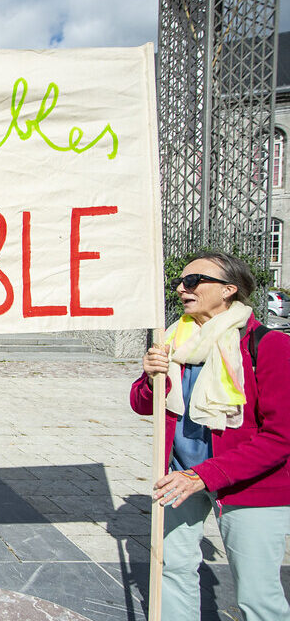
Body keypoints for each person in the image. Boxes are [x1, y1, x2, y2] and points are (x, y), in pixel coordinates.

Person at [131, 251, 290, 621]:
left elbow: (280, 437)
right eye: (180, 282)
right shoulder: (174, 341)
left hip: (249, 486)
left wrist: (204, 476)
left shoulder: (269, 347)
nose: (182, 288)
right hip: (179, 474)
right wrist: (151, 377)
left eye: (193, 281)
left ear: (229, 290)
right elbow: (143, 405)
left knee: (256, 592)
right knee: (171, 570)